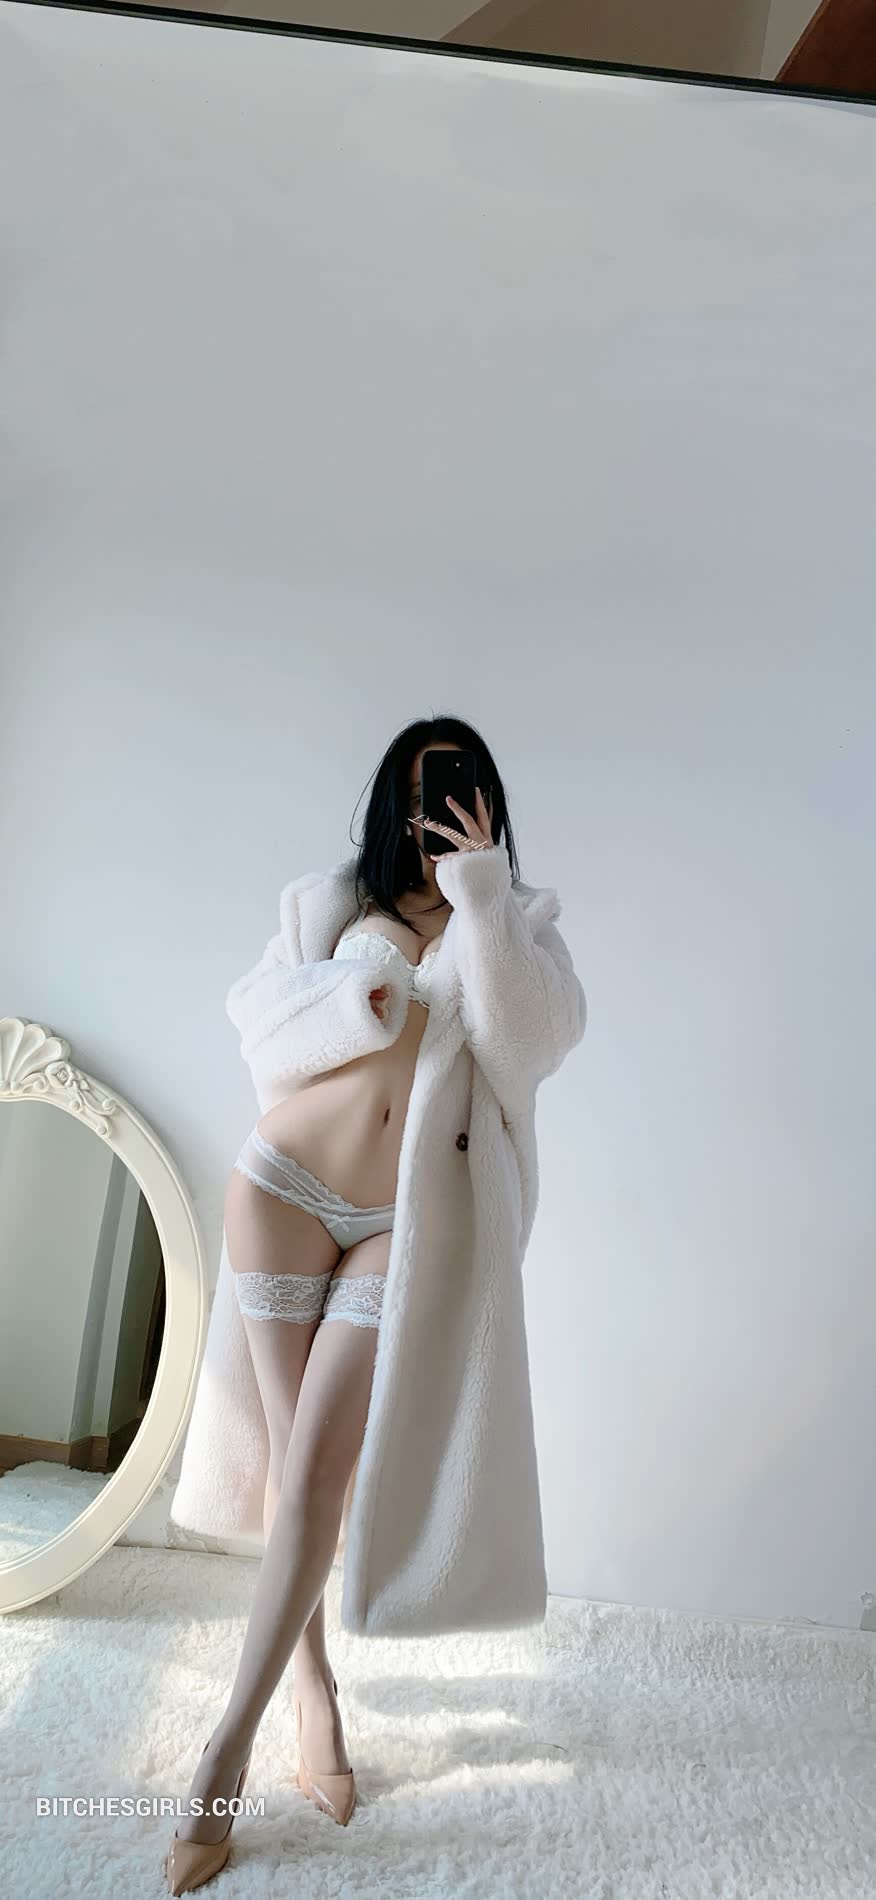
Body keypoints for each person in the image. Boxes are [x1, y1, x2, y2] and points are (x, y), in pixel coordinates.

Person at [164, 714, 585, 1893]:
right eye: (411, 790)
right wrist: (360, 992)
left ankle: (221, 1752)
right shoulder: (330, 903)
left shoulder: (519, 921)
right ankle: (311, 1689)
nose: (426, 811)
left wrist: (481, 891)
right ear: (387, 804)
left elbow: (530, 1045)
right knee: (287, 1457)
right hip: (284, 1186)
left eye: (450, 789)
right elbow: (257, 1020)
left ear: (485, 799)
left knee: (317, 1473)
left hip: (404, 1223)